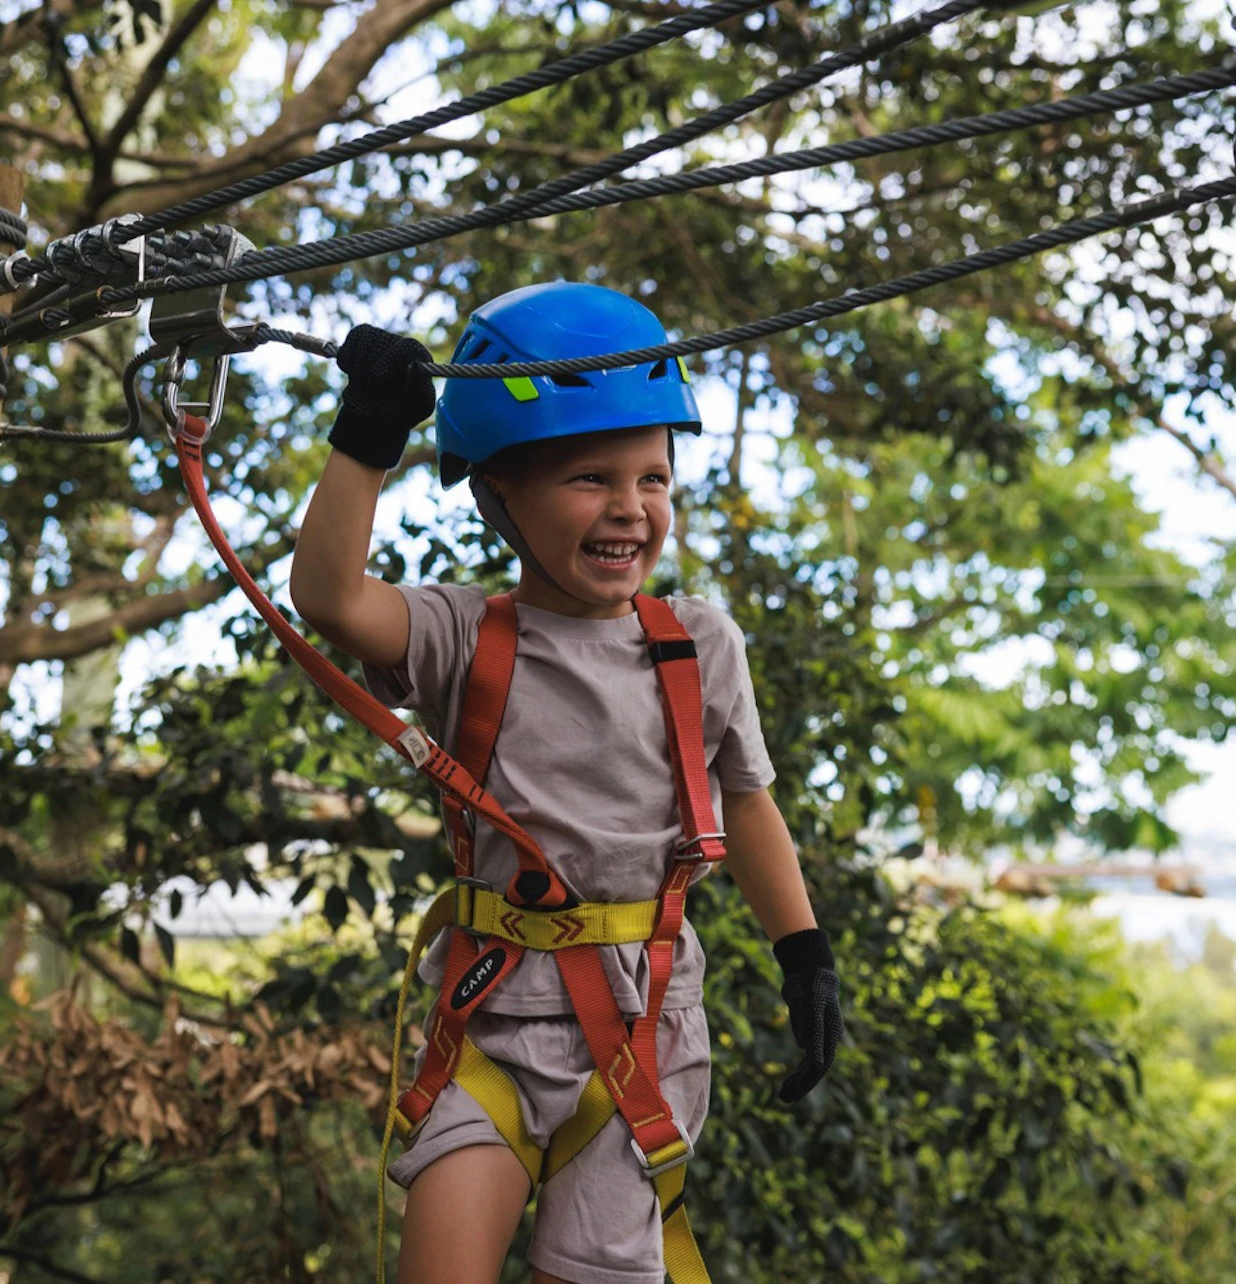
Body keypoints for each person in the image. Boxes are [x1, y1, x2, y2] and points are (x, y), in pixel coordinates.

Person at [289, 281, 843, 1284]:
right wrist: (368, 438)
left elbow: (746, 799)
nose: (632, 508)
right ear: (499, 492)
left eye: (654, 479)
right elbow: (329, 597)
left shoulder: (699, 644)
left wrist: (803, 954)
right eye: (591, 478)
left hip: (641, 1030)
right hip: (491, 1017)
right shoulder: (464, 635)